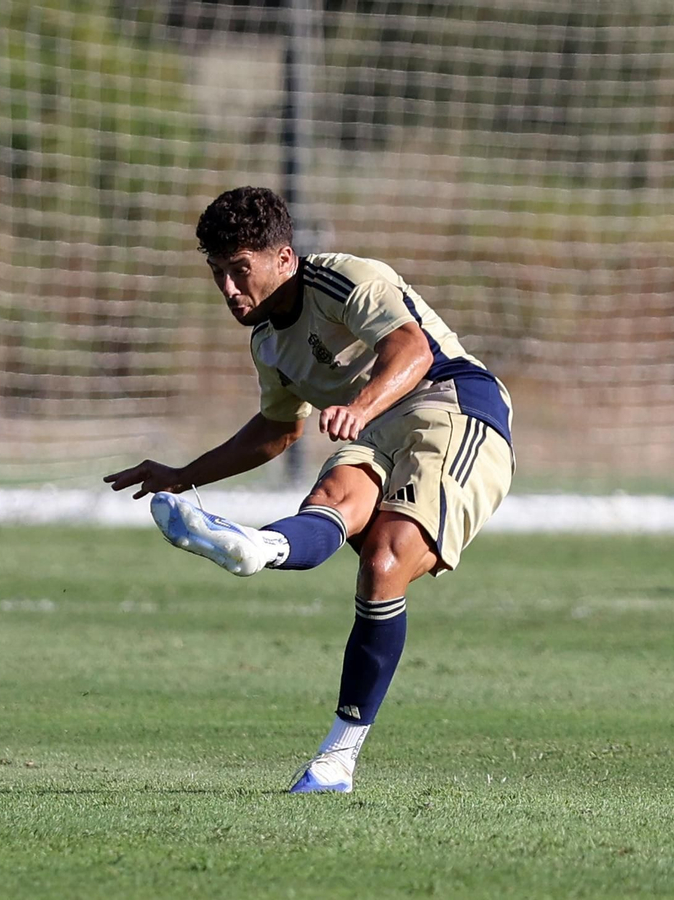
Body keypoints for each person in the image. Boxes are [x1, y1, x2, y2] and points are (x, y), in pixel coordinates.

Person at [103, 186, 514, 793]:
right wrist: (182, 475)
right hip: (373, 424)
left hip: (454, 408)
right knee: (329, 508)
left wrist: (362, 403)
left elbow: (413, 350)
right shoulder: (267, 339)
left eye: (240, 270)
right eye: (217, 273)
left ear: (283, 258)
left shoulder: (347, 279)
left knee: (385, 560)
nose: (228, 290)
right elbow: (277, 429)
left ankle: (338, 757)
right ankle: (257, 548)